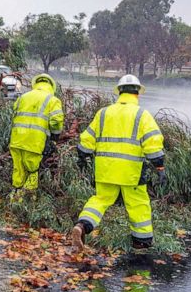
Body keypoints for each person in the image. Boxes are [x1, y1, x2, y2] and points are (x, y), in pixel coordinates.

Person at [70, 74, 165, 251]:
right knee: (138, 205)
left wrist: (82, 157)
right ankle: (141, 243)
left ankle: (82, 226)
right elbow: (152, 143)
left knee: (99, 200)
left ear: (119, 92)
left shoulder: (104, 113)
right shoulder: (142, 115)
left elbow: (87, 140)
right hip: (131, 172)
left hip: (105, 170)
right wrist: (159, 166)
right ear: (137, 93)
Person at [8, 73, 65, 199]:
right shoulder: (52, 100)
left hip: (16, 140)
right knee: (33, 171)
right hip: (34, 142)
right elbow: (56, 121)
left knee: (18, 171)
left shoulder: (23, 97)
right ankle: (26, 200)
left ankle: (14, 198)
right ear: (51, 86)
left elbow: (13, 115)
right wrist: (54, 138)